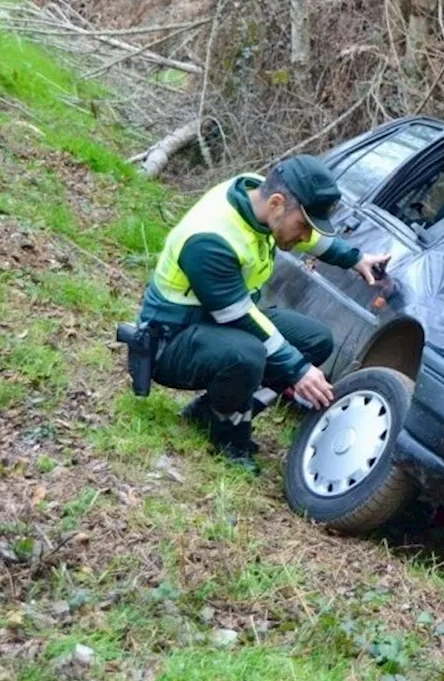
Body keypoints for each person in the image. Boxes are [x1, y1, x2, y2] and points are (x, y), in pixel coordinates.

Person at [134, 155, 390, 470]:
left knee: (315, 341)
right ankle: (227, 433)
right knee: (250, 353)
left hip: (217, 327)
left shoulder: (259, 196)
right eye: (303, 226)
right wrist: (298, 370)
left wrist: (355, 258)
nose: (305, 237)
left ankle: (209, 411)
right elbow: (238, 315)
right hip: (172, 341)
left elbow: (310, 237)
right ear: (277, 204)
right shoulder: (210, 239)